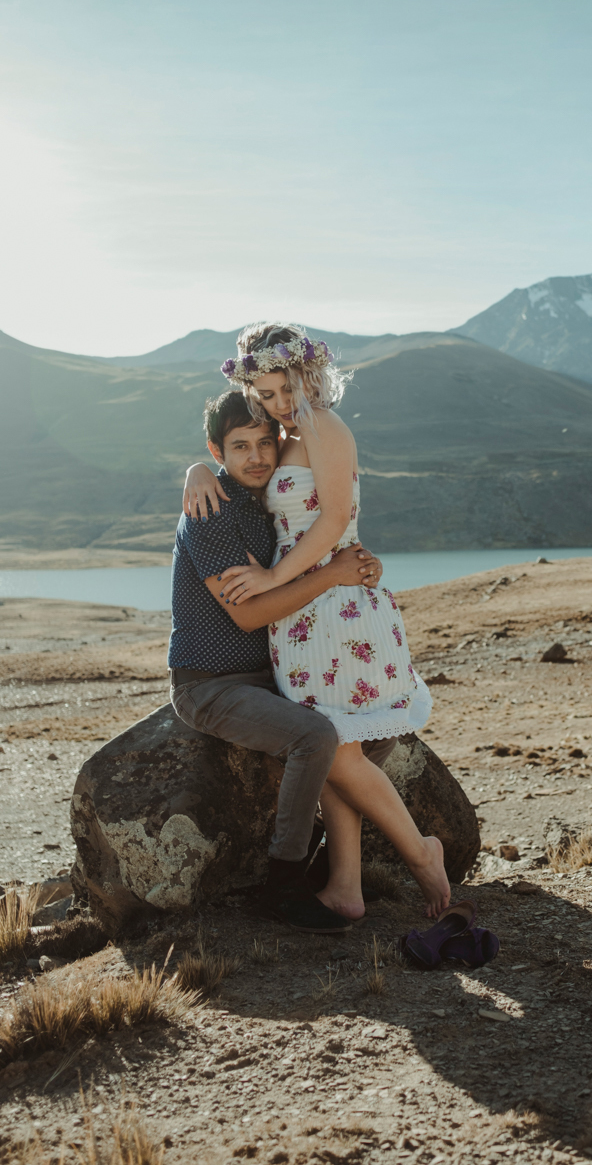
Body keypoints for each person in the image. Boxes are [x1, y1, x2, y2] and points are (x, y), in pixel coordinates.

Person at [183, 322, 451, 920]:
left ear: (309, 371)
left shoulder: (325, 426)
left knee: (341, 755)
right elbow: (236, 463)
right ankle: (347, 890)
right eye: (267, 395)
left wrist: (276, 579)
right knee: (336, 750)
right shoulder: (287, 433)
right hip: (305, 616)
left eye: (286, 388)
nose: (279, 404)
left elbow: (332, 524)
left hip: (335, 612)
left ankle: (420, 852)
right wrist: (194, 472)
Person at [170, 388, 390, 934]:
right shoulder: (209, 510)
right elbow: (249, 616)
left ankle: (327, 862)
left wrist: (358, 566)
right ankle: (281, 883)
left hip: (274, 675)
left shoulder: (274, 501)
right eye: (239, 446)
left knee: (372, 729)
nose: (257, 457)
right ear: (217, 450)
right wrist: (331, 576)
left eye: (265, 442)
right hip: (211, 684)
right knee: (315, 737)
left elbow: (323, 533)